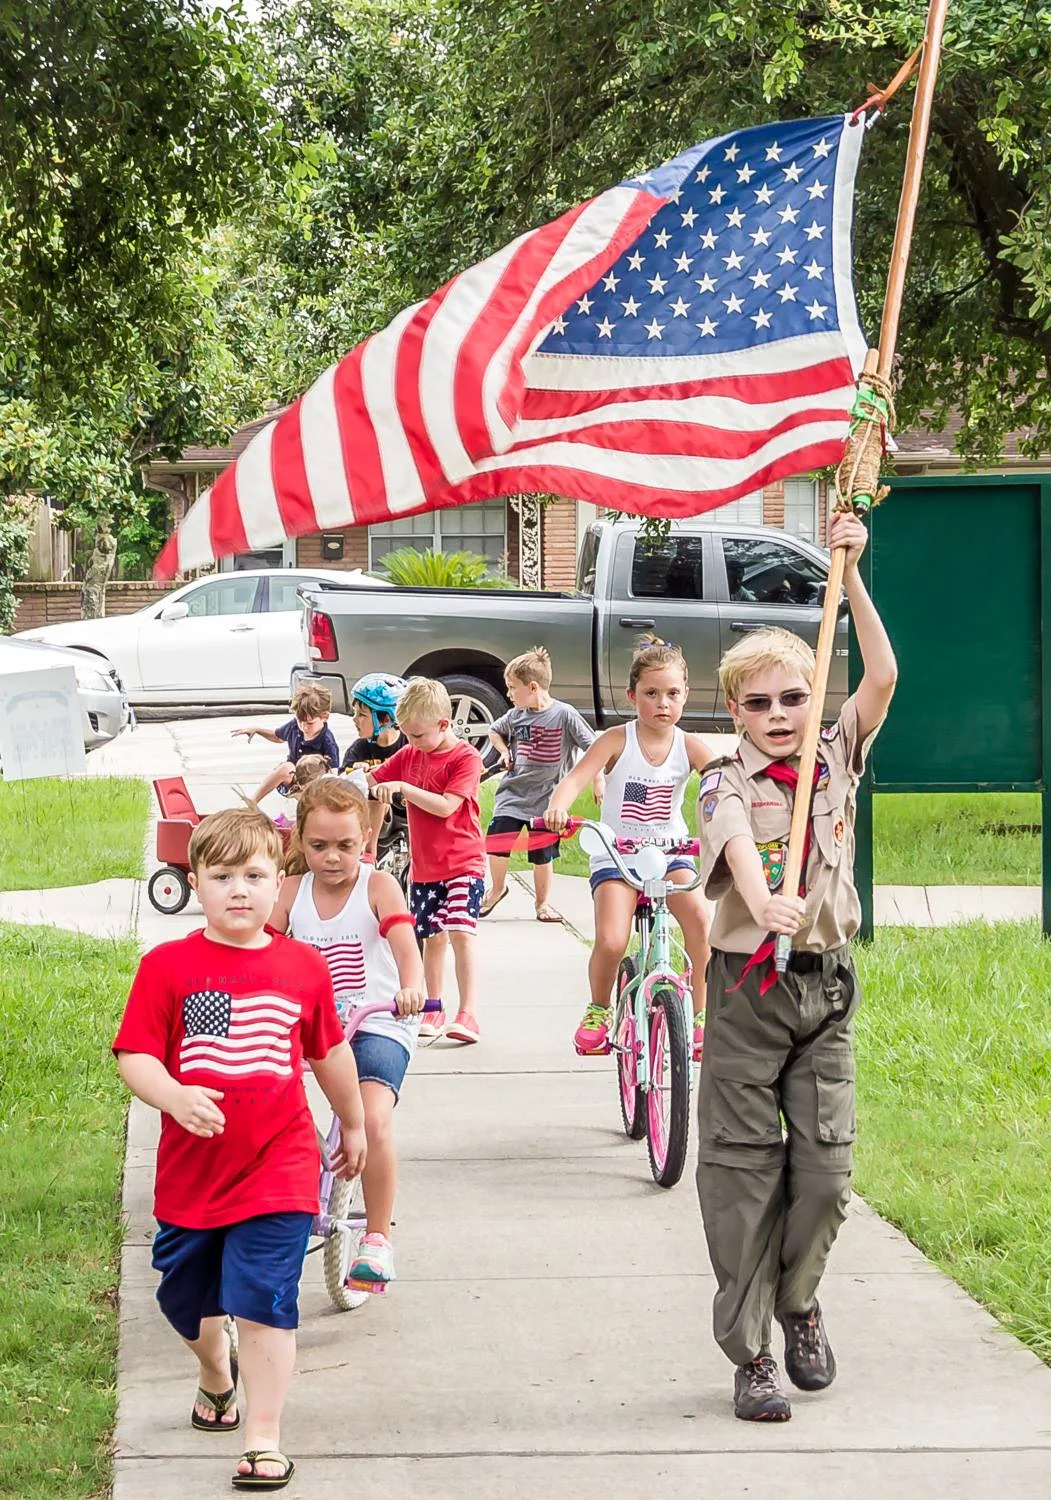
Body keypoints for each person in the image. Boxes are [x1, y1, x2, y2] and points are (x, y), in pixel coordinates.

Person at [694, 511, 897, 1424]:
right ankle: (751, 1355)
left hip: (825, 986)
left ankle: (799, 1300)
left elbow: (884, 675)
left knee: (824, 1174)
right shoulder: (722, 777)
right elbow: (734, 841)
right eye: (758, 703)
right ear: (732, 709)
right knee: (742, 1176)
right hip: (746, 990)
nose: (778, 716)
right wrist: (758, 893)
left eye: (793, 698)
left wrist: (848, 571)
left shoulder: (838, 750)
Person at [112, 806, 366, 1493]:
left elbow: (330, 1051)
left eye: (254, 874)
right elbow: (135, 1054)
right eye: (221, 875)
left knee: (262, 1298)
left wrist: (354, 1123)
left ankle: (262, 1436)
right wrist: (170, 1095)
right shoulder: (168, 967)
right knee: (183, 1298)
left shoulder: (300, 967)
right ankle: (214, 1372)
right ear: (193, 881)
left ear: (277, 882)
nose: (239, 889)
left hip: (278, 1165)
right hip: (193, 1175)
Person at [270, 776, 424, 1294]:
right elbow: (263, 946)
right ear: (300, 843)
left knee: (373, 1118)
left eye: (345, 846)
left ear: (365, 843)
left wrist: (413, 987)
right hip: (313, 1026)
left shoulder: (377, 886)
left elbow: (404, 942)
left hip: (377, 1021)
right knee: (266, 1097)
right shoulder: (292, 891)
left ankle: (377, 1239)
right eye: (318, 846)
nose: (332, 857)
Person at [544, 637, 714, 1058]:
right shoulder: (616, 740)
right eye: (651, 694)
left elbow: (723, 783)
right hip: (618, 853)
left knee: (699, 921)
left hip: (672, 849)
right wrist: (558, 807)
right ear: (632, 695)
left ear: (686, 695)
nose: (663, 704)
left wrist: (732, 812)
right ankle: (599, 1009)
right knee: (612, 939)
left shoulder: (689, 745)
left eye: (673, 694)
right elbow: (576, 779)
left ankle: (702, 1017)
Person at [367, 677, 485, 1044]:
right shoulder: (409, 755)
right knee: (431, 937)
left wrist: (403, 788)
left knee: (461, 933)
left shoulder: (466, 758)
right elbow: (371, 783)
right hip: (425, 868)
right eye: (406, 735)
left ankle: (468, 1014)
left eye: (417, 735)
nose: (411, 743)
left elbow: (448, 805)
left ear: (444, 724)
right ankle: (434, 1008)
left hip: (464, 861)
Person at [482, 646, 603, 924]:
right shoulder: (515, 715)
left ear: (533, 687)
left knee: (542, 854)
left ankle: (543, 903)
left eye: (513, 688)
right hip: (512, 794)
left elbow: (595, 747)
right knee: (498, 841)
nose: (509, 695)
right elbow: (493, 731)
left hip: (548, 800)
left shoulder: (564, 715)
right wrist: (503, 751)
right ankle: (497, 888)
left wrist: (598, 779)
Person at [233, 683, 340, 803]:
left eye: (310, 723)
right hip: (293, 778)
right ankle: (251, 802)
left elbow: (333, 775)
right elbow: (278, 736)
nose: (304, 727)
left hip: (315, 786)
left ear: (325, 717)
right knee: (286, 767)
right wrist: (257, 730)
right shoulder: (294, 726)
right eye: (300, 721)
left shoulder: (327, 741)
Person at [340, 672, 408, 772]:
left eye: (362, 714)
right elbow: (341, 780)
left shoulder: (410, 746)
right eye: (355, 712)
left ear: (386, 720)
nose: (354, 719)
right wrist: (355, 771)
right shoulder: (357, 750)